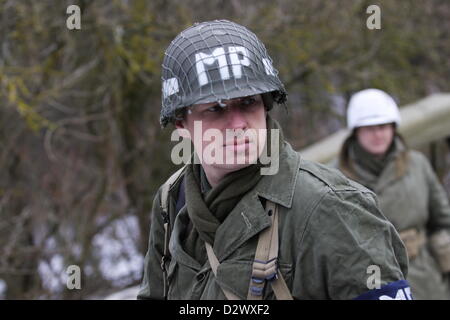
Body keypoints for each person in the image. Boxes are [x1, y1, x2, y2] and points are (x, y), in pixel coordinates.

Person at [138, 20, 411, 300]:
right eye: (215, 109)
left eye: (248, 103)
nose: (238, 124)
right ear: (181, 124)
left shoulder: (331, 206)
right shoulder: (172, 199)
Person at [336, 88, 450, 300]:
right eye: (369, 128)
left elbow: (442, 221)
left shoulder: (417, 165)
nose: (378, 134)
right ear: (356, 131)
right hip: (365, 283)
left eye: (383, 126)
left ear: (393, 128)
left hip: (424, 279)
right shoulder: (335, 176)